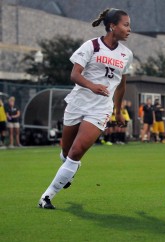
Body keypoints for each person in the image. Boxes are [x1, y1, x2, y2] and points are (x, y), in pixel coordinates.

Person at [38, 8, 133, 209]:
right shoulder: (91, 46)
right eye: (125, 25)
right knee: (66, 152)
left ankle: (47, 196)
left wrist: (117, 111)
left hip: (100, 109)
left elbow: (122, 84)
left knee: (78, 150)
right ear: (112, 26)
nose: (129, 29)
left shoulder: (127, 54)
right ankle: (69, 169)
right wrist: (92, 86)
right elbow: (75, 74)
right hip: (78, 103)